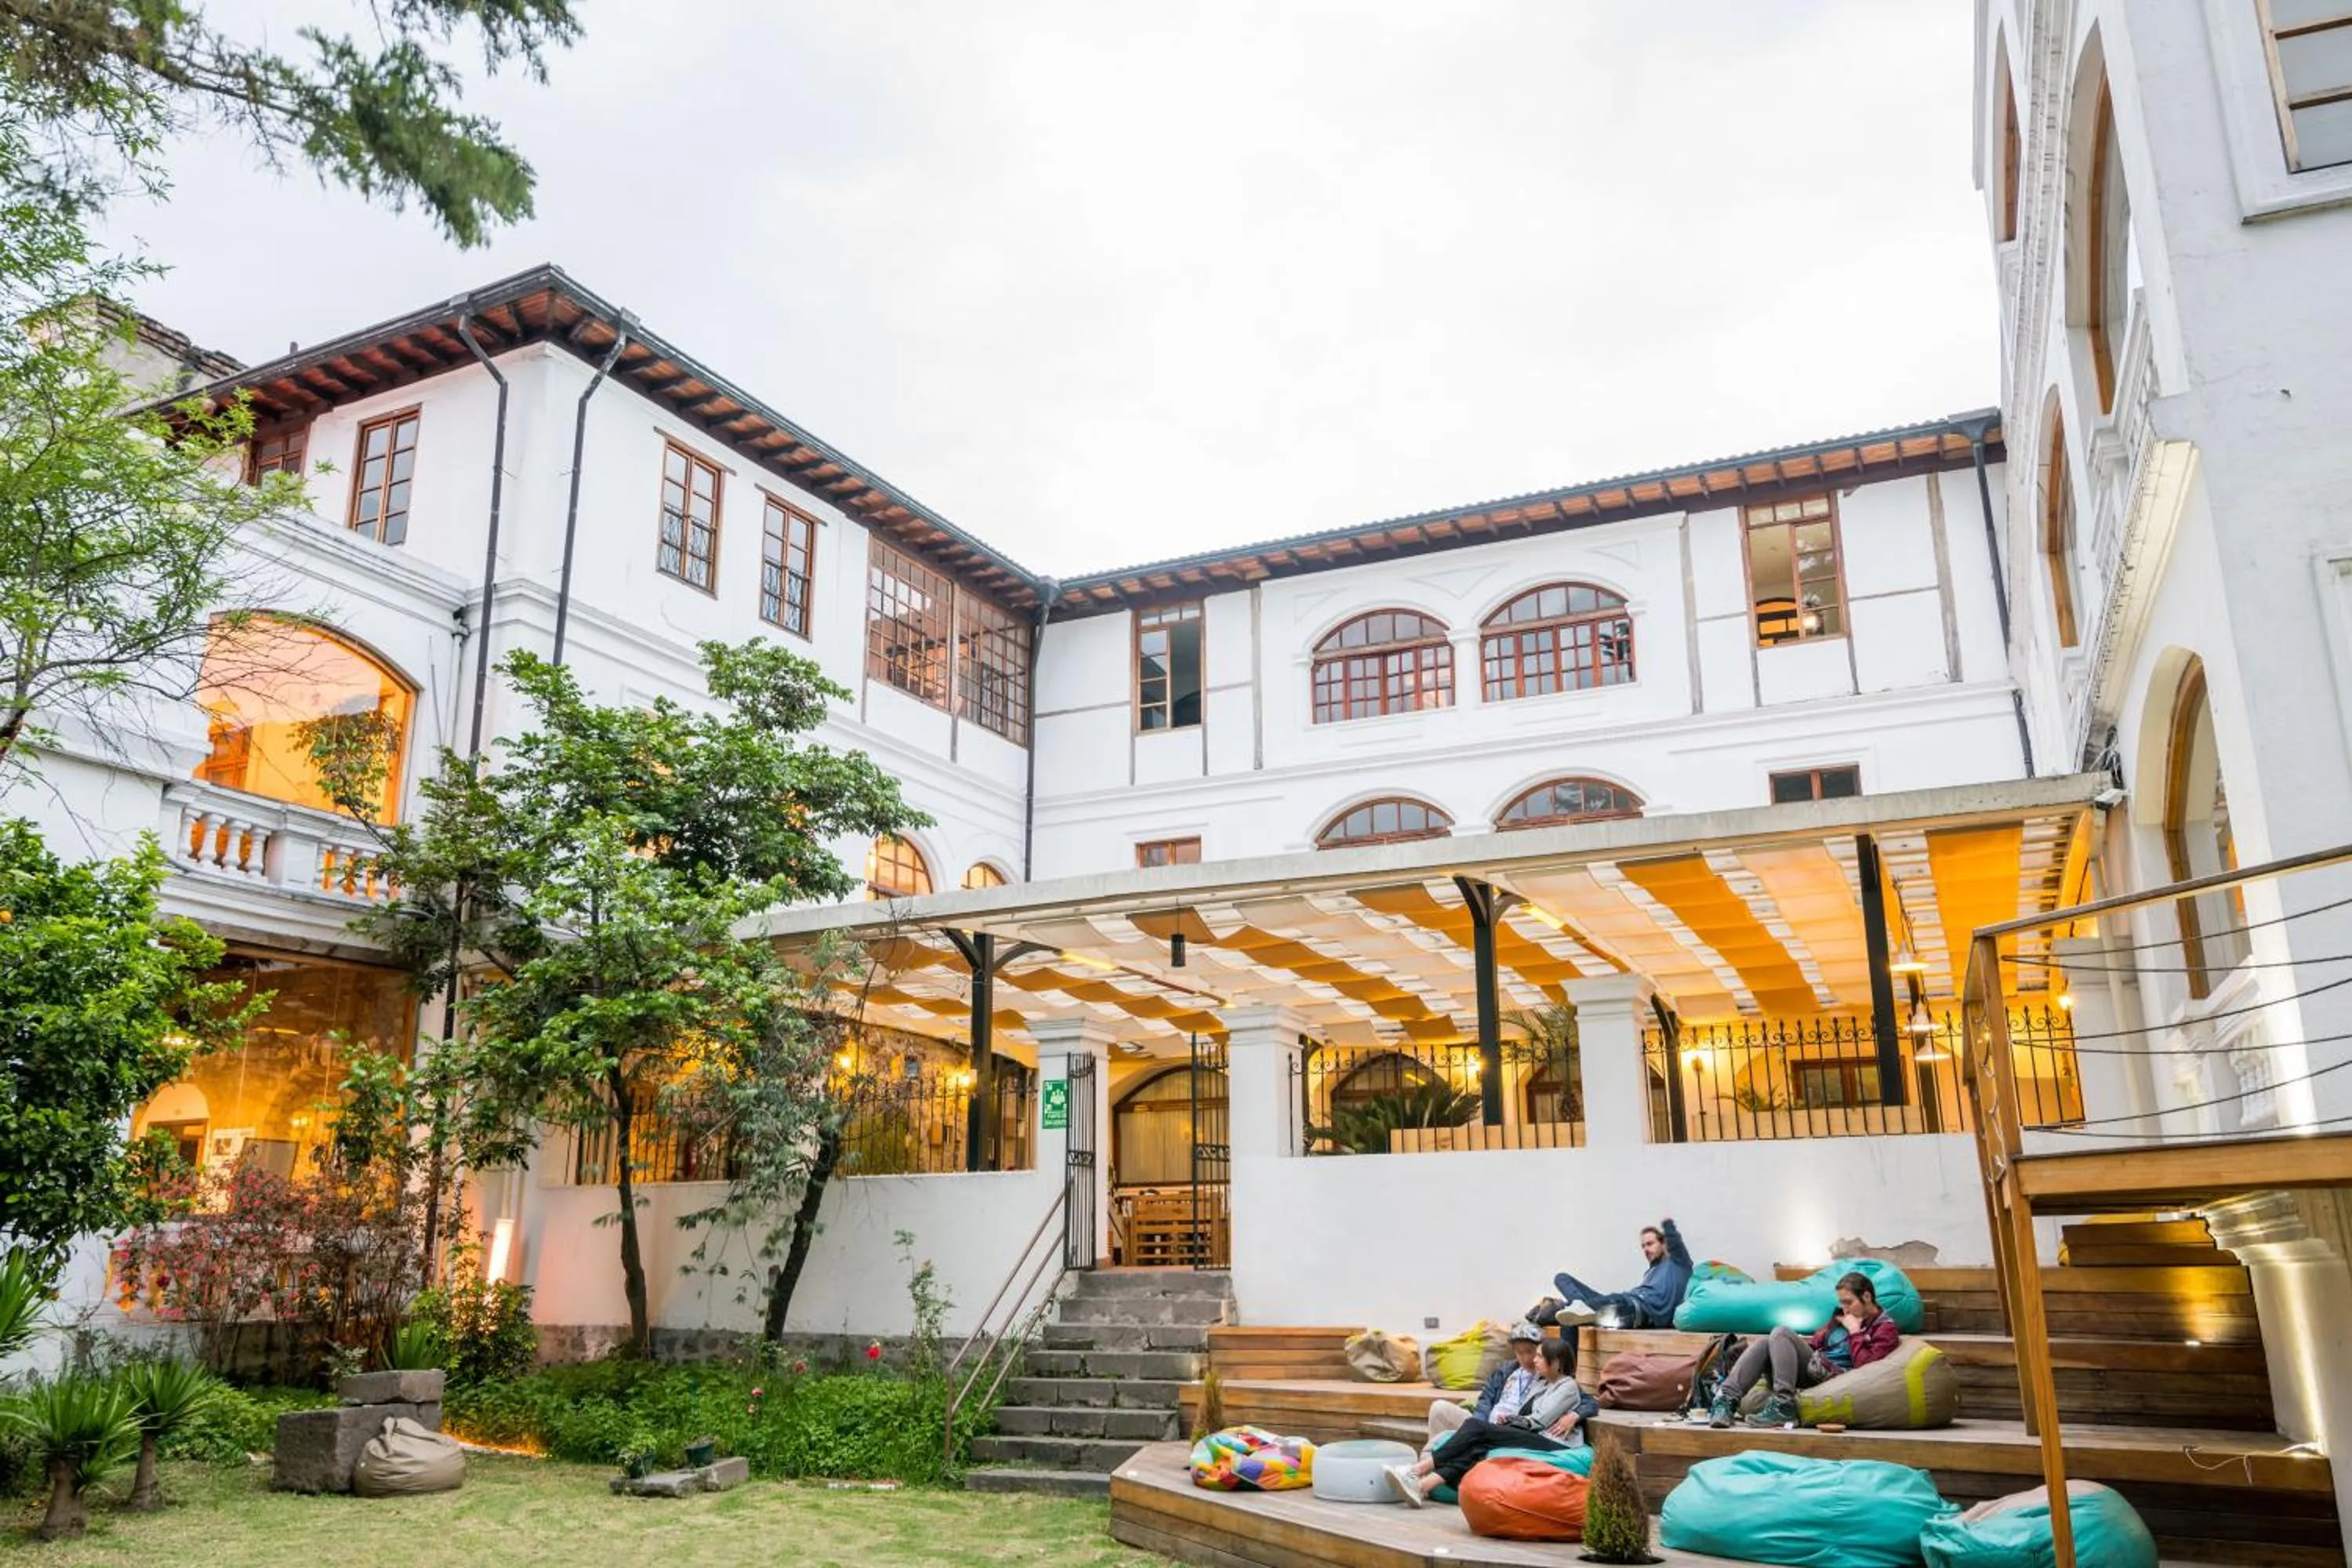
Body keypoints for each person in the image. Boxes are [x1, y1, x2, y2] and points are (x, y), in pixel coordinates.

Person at [1387, 1338, 1594, 1508]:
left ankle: (1415, 1471)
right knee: (1478, 1444)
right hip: (1536, 1433)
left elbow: (1539, 1420)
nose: (1534, 1360)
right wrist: (1509, 1421)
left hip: (1554, 1441)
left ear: (1556, 1362)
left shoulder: (1567, 1387)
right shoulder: (1543, 1383)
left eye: (1539, 1355)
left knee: (1476, 1427)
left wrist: (1511, 1422)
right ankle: (1422, 1486)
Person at [1708, 1270, 1898, 1428]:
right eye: (1842, 1303)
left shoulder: (1885, 1328)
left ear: (1867, 1296)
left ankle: (1783, 1405)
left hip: (1834, 1378)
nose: (1845, 1309)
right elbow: (1817, 1344)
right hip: (1815, 1366)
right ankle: (1725, 1401)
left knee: (1781, 1332)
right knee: (1765, 1343)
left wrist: (1855, 1332)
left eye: (1849, 1302)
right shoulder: (1842, 1317)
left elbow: (1866, 1368)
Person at [1529, 1217, 1692, 1330]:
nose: (1646, 1249)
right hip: (1622, 1303)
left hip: (1631, 1310)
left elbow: (1675, 1241)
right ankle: (1578, 1306)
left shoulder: (1679, 1264)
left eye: (1650, 1244)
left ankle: (1573, 1306)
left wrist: (1667, 1222)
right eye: (1643, 1246)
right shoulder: (1650, 1273)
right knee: (1561, 1278)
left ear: (1664, 1244)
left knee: (1573, 1316)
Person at [1425, 1320, 1544, 1453]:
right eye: (1519, 1352)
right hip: (1483, 1426)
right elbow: (1485, 1400)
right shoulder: (1506, 1370)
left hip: (1509, 1434)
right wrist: (1477, 1427)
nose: (1525, 1358)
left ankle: (1426, 1466)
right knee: (1439, 1408)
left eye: (1530, 1351)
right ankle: (1428, 1461)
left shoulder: (1547, 1377)